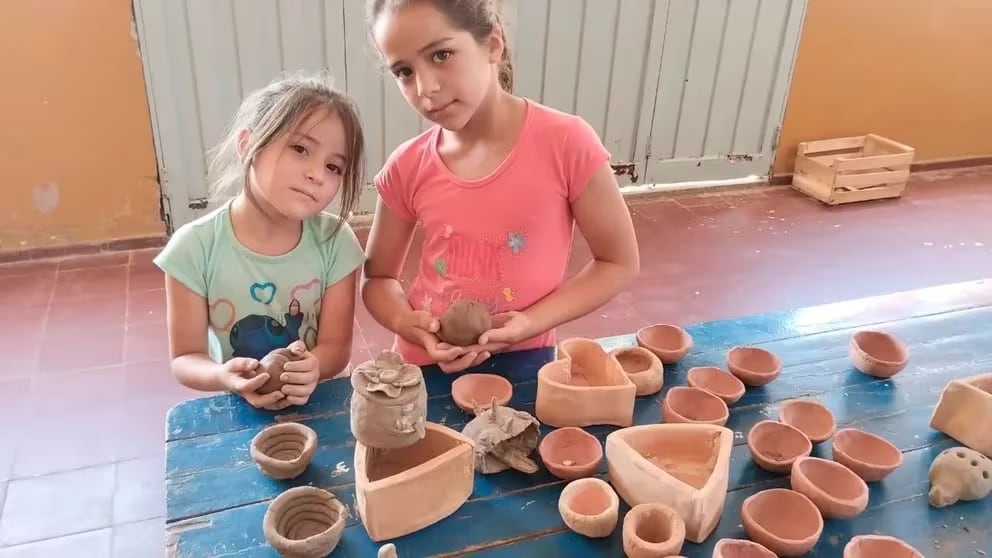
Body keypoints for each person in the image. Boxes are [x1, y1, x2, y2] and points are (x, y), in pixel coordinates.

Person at [361, 0, 640, 373]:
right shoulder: (407, 165)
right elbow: (378, 278)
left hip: (524, 367)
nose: (425, 87)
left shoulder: (566, 143)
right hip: (424, 371)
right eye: (404, 71)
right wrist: (406, 324)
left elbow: (618, 262)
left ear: (493, 44)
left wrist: (531, 323)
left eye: (441, 55)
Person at [154, 72, 367, 410]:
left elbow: (336, 347)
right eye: (300, 149)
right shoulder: (193, 250)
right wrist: (224, 375)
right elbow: (185, 357)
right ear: (247, 145)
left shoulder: (335, 241)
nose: (317, 174)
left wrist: (314, 368)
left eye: (334, 167)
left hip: (320, 403)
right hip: (241, 409)